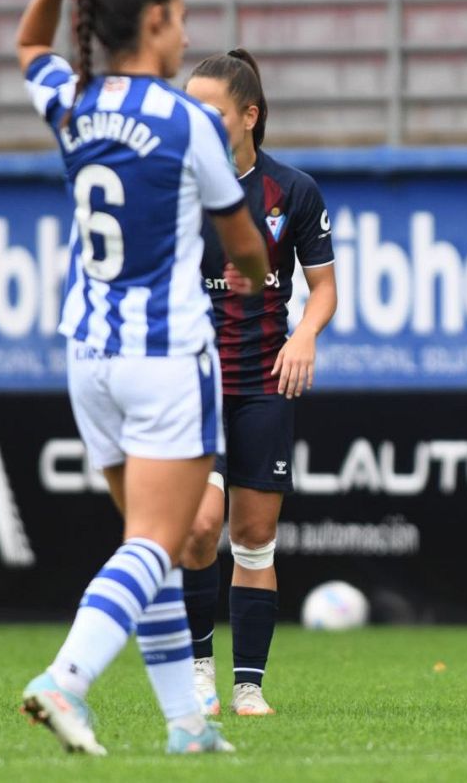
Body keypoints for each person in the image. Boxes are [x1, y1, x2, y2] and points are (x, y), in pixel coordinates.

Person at [15, 0, 269, 755]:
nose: (185, 34)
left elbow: (30, 47)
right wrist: (253, 273)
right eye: (181, 19)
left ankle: (187, 725)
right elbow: (242, 238)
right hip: (163, 353)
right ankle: (65, 679)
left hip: (87, 352)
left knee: (150, 541)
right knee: (159, 541)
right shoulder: (187, 120)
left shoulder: (73, 99)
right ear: (154, 23)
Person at [178, 48, 337, 718]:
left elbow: (323, 288)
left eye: (210, 112)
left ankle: (248, 686)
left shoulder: (292, 191)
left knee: (252, 536)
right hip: (192, 379)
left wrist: (304, 335)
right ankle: (197, 673)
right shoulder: (175, 187)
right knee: (197, 529)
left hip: (263, 380)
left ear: (249, 115)